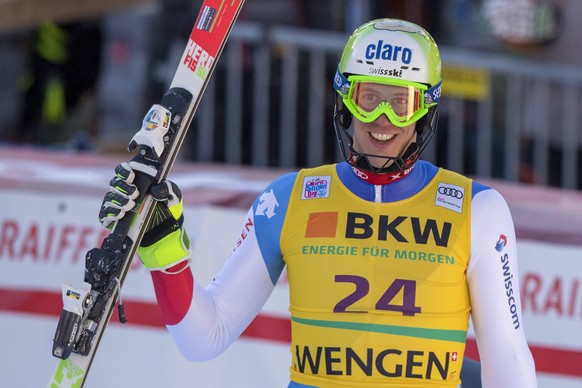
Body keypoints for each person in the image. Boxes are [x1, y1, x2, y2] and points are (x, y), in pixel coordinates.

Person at [100, 18, 537, 387]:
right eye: (370, 98)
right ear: (346, 99)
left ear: (425, 110)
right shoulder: (288, 200)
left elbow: (509, 366)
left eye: (401, 102)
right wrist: (164, 249)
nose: (382, 119)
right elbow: (203, 338)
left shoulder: (477, 210)